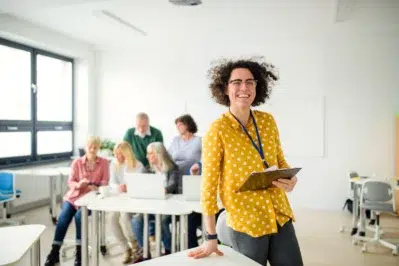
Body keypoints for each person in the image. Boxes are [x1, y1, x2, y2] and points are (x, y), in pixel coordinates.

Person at [188, 58, 303, 265]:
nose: (244, 87)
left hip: (279, 212)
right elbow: (209, 186)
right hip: (246, 220)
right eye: (237, 82)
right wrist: (211, 238)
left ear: (257, 87)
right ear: (225, 88)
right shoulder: (217, 130)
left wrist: (290, 179)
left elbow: (280, 161)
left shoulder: (267, 121)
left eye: (250, 82)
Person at [45, 136, 110, 266]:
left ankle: (80, 253)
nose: (92, 149)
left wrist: (95, 187)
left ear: (98, 148)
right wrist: (79, 184)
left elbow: (105, 182)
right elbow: (70, 182)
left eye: (95, 147)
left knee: (80, 217)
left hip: (91, 199)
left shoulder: (104, 163)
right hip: (74, 197)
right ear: (86, 147)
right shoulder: (77, 162)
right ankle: (54, 252)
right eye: (90, 146)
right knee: (63, 217)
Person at [131, 142, 181, 262]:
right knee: (136, 220)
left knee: (162, 220)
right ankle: (145, 253)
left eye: (150, 154)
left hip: (169, 206)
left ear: (159, 154)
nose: (147, 156)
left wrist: (162, 190)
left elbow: (172, 185)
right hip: (150, 206)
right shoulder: (147, 169)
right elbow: (139, 184)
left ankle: (169, 251)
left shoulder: (173, 168)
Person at [109, 141, 145, 264]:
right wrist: (119, 186)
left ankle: (135, 247)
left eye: (120, 154)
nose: (117, 157)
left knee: (125, 216)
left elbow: (141, 185)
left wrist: (129, 187)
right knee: (112, 218)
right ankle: (126, 249)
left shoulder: (138, 165)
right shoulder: (114, 165)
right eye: (116, 154)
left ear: (127, 154)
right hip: (119, 198)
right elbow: (112, 183)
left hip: (134, 200)